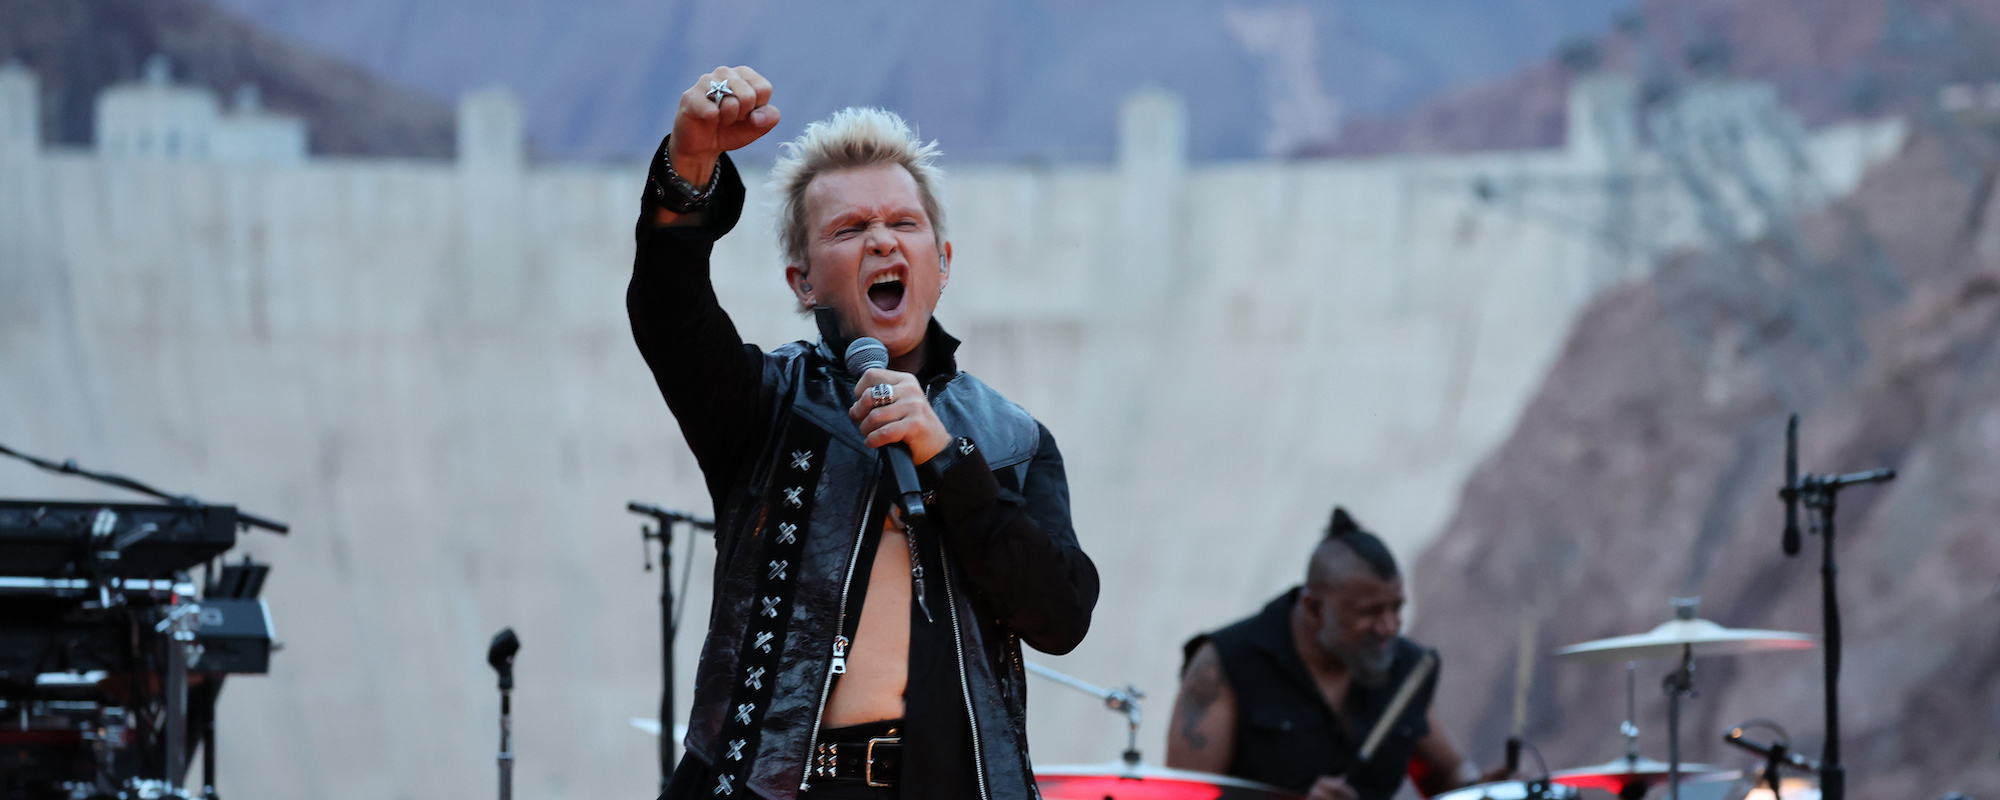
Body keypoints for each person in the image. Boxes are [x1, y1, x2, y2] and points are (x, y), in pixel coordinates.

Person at [628, 65, 1099, 800]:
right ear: (802, 282)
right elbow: (668, 306)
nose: (882, 240)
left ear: (942, 264)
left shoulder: (1011, 439)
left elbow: (1062, 615)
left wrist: (946, 457)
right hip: (767, 785)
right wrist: (688, 170)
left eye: (903, 223)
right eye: (849, 229)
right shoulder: (763, 405)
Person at [1165, 507, 1507, 800]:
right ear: (1313, 609)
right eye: (1369, 612)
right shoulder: (1225, 665)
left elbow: (1442, 776)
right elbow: (1184, 797)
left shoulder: (1405, 667)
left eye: (1396, 608)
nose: (1389, 626)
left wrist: (1478, 788)